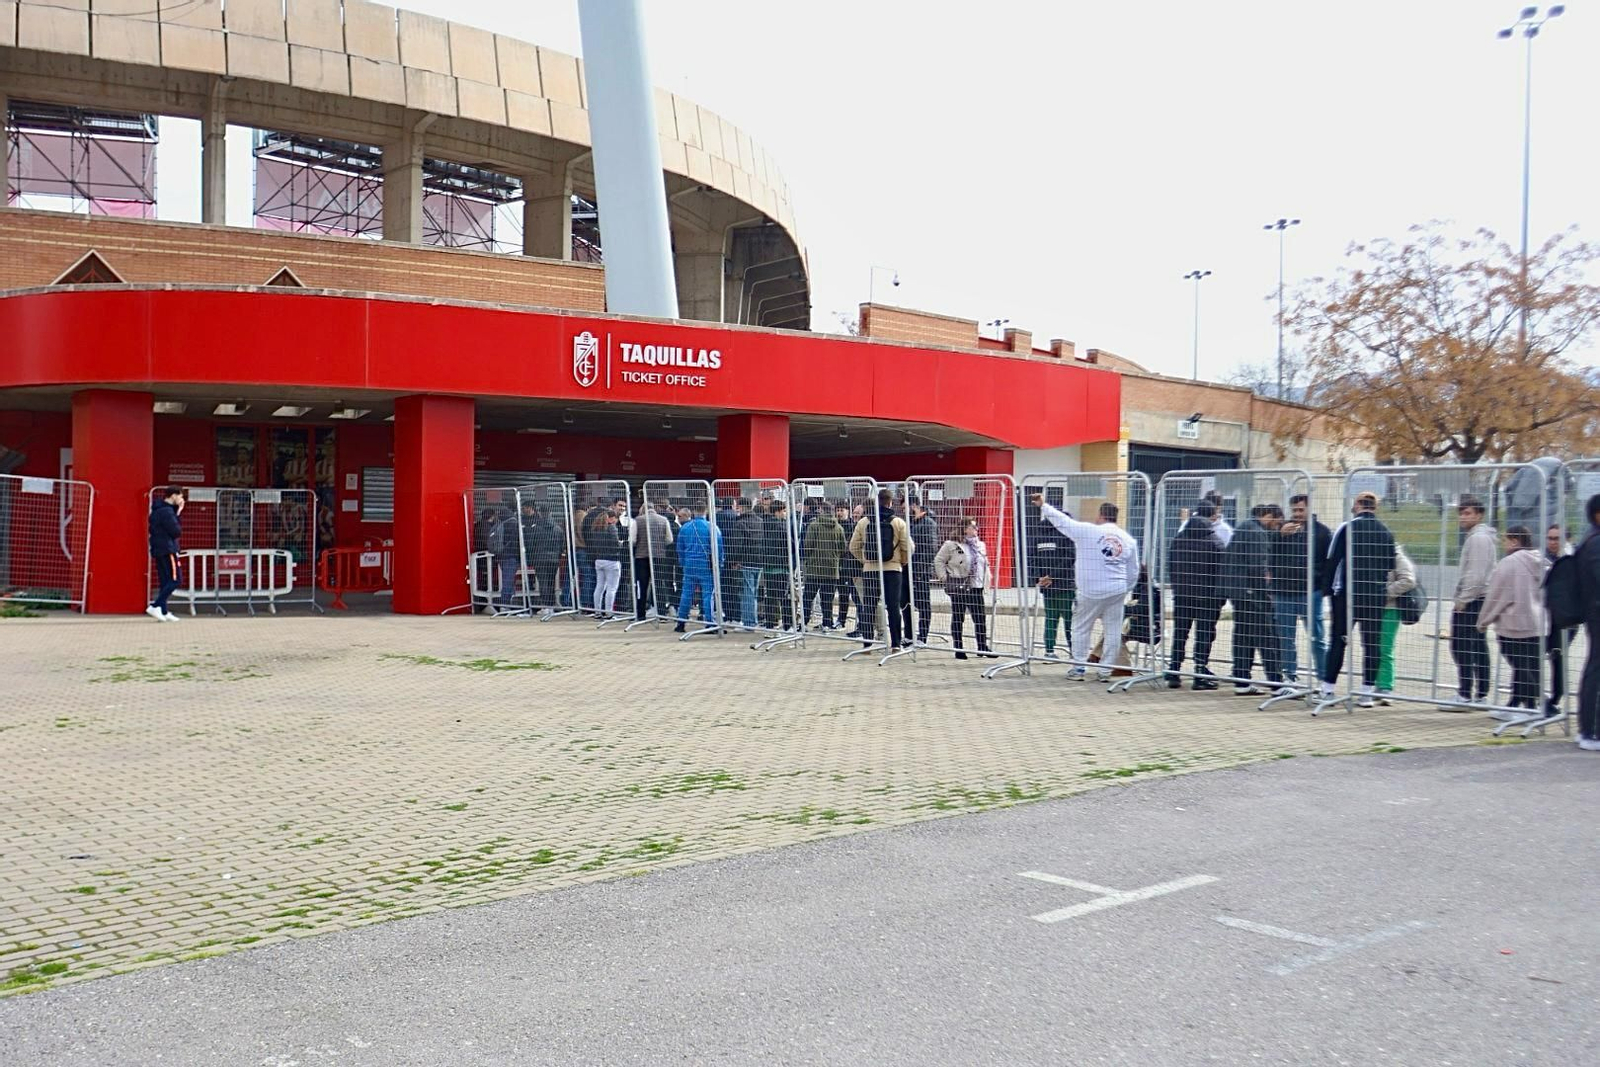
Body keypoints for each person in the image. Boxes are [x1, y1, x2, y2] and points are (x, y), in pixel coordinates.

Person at [1032, 496, 1139, 682]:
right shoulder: (1128, 540)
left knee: (1081, 628)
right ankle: (1105, 671)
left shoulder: (1088, 531)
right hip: (1117, 590)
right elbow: (1133, 571)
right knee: (1113, 631)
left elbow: (1063, 521)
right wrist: (1124, 589)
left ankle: (1079, 668)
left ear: (1100, 515)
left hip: (1090, 590)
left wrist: (1044, 506)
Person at [1319, 491, 1396, 708]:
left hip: (1346, 595)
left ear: (1359, 505)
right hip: (1374, 596)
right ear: (1375, 507)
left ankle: (1328, 689)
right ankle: (1367, 693)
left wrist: (1327, 591)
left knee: (1338, 640)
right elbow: (1391, 563)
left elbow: (1332, 560)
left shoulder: (1347, 528)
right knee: (1371, 643)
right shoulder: (1386, 531)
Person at [1477, 526, 1546, 718]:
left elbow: (1497, 595)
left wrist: (1483, 620)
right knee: (1528, 664)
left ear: (1515, 541)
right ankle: (1515, 703)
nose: (1503, 544)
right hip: (1537, 622)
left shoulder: (1509, 563)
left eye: (1506, 540)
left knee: (1520, 665)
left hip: (1513, 623)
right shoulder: (1540, 561)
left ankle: (1532, 706)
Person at [1223, 503, 1286, 696]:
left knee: (1243, 636)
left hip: (1240, 592)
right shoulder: (1256, 532)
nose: (1276, 527)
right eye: (1276, 523)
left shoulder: (1245, 527)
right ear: (1269, 516)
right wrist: (1265, 591)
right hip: (1252, 593)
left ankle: (1241, 680)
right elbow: (1257, 565)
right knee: (1266, 636)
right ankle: (1276, 683)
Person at [1272, 494, 1332, 685]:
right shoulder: (1282, 530)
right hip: (1283, 592)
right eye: (1294, 510)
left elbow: (1329, 563)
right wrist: (1280, 536)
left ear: (1309, 509)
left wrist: (1323, 589)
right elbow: (1268, 554)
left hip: (1311, 593)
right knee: (1285, 638)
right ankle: (1289, 677)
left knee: (1317, 638)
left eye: (1300, 510)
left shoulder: (1322, 532)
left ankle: (1323, 679)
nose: (1297, 514)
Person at [1166, 501, 1225, 690]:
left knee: (1180, 633)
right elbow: (1221, 572)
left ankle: (1174, 670)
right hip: (1207, 598)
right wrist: (1220, 597)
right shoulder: (1215, 541)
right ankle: (1200, 672)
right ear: (1211, 517)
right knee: (1204, 634)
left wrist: (1177, 589)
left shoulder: (1179, 538)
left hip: (1182, 595)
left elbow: (1171, 566)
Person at [849, 488, 912, 651]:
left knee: (869, 605)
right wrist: (902, 561)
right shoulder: (898, 522)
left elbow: (853, 546)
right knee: (893, 606)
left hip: (870, 570)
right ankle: (896, 644)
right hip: (893, 569)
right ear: (890, 502)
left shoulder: (864, 522)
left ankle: (868, 642)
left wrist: (865, 560)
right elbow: (908, 547)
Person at [1450, 497, 1498, 707]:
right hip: (1480, 598)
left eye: (1468, 513)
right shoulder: (1478, 536)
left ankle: (1466, 692)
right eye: (1461, 513)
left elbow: (1476, 574)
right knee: (1477, 645)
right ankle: (1480, 692)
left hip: (1474, 599)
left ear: (1479, 515)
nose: (1463, 517)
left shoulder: (1478, 538)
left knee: (1461, 646)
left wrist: (1463, 599)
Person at [933, 517, 991, 659]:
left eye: (976, 527)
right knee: (958, 617)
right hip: (959, 585)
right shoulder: (951, 545)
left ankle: (982, 646)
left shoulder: (980, 545)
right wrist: (944, 577)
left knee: (980, 618)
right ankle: (958, 647)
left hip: (976, 586)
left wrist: (987, 579)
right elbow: (939, 560)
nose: (976, 529)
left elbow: (985, 563)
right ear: (964, 529)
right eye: (973, 526)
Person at [1028, 500, 1076, 661]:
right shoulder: (1066, 532)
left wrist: (1040, 578)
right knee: (1069, 619)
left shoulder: (1038, 533)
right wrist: (1053, 576)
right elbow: (1070, 557)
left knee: (1051, 618)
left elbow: (1032, 557)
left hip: (1047, 585)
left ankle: (1049, 651)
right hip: (1064, 584)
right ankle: (1074, 650)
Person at [1373, 544, 1417, 705]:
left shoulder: (1397, 556)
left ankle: (1385, 687)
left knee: (1385, 647)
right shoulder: (1370, 555)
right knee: (1372, 647)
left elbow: (1408, 580)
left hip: (1389, 608)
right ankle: (1374, 683)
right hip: (1372, 608)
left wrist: (1385, 593)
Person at [1573, 496, 1600, 750]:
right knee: (1596, 671)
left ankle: (1590, 729)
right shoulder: (1596, 542)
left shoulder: (1590, 539)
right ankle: (1590, 731)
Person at [1543, 525, 1575, 718]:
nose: (1553, 542)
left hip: (1566, 618)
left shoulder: (1572, 559)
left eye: (1557, 538)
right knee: (1547, 655)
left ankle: (1555, 698)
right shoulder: (1544, 558)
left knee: (1558, 656)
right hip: (1547, 616)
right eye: (1550, 538)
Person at [674, 504, 721, 632]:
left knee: (686, 593)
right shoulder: (712, 527)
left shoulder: (685, 528)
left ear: (694, 512)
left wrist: (683, 563)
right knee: (707, 595)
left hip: (689, 565)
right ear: (705, 511)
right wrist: (719, 565)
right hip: (706, 565)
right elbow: (718, 548)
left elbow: (680, 548)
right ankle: (709, 623)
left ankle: (681, 622)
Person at [801, 501, 846, 630]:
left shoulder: (814, 525)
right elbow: (843, 548)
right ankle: (827, 623)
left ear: (821, 509)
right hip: (832, 568)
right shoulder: (838, 527)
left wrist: (809, 558)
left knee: (808, 597)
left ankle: (804, 622)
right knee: (827, 599)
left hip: (814, 568)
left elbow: (807, 545)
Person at [147, 486, 185, 622]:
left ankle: (163, 610)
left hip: (158, 548)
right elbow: (176, 531)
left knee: (165, 580)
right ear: (173, 496)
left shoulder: (157, 510)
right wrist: (178, 513)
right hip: (168, 549)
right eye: (180, 496)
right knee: (176, 579)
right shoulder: (167, 512)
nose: (181, 500)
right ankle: (156, 605)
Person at [633, 500, 674, 621]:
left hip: (641, 556)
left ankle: (640, 614)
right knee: (659, 584)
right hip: (659, 556)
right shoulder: (663, 520)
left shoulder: (638, 520)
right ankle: (661, 613)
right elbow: (669, 539)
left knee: (642, 585)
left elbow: (633, 539)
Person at [906, 501, 940, 646]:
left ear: (914, 506)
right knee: (906, 602)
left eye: (905, 507)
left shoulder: (928, 524)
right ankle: (908, 636)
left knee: (923, 603)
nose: (904, 511)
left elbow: (930, 549)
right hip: (908, 569)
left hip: (920, 570)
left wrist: (920, 569)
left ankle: (922, 636)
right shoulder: (911, 523)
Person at [759, 500, 794, 631]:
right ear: (778, 511)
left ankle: (770, 623)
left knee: (770, 596)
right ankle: (788, 625)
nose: (785, 514)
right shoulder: (781, 527)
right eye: (784, 511)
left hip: (768, 565)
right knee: (785, 597)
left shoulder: (763, 524)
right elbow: (790, 545)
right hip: (781, 565)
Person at [525, 504, 564, 611]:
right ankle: (551, 604)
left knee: (543, 582)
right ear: (551, 513)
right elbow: (562, 545)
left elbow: (531, 544)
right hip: (554, 559)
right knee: (551, 582)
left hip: (540, 558)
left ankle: (546, 606)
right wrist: (558, 555)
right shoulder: (558, 528)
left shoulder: (536, 528)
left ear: (540, 514)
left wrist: (531, 557)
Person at [589, 509, 626, 617]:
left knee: (599, 586)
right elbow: (615, 544)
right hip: (612, 560)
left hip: (599, 560)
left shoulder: (596, 529)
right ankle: (609, 612)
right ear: (610, 518)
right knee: (611, 588)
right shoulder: (611, 528)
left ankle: (597, 611)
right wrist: (621, 544)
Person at [837, 503, 865, 634]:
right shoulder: (854, 527)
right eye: (854, 512)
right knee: (856, 599)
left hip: (859, 571)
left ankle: (863, 628)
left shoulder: (863, 528)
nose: (855, 515)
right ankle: (861, 627)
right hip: (851, 569)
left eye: (857, 513)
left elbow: (856, 550)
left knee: (861, 601)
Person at [488, 506, 523, 609]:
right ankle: (505, 604)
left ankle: (508, 604)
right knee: (508, 581)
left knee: (508, 580)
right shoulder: (514, 525)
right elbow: (517, 542)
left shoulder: (500, 524)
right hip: (512, 556)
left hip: (501, 556)